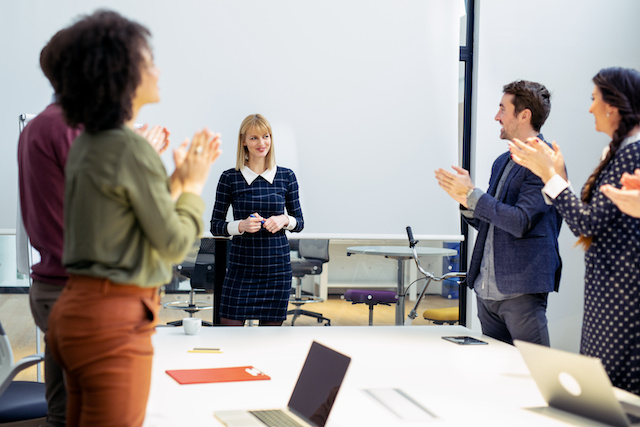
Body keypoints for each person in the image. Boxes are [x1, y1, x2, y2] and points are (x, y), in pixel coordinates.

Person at [45, 10, 221, 426]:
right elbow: (175, 241)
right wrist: (194, 186)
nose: (157, 70)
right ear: (122, 73)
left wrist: (176, 180)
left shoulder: (91, 144)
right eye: (148, 61)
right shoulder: (129, 148)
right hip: (113, 323)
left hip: (78, 313)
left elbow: (132, 223)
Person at [17, 36, 171, 427]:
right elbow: (110, 208)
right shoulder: (69, 128)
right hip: (79, 291)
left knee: (64, 412)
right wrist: (139, 157)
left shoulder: (40, 124)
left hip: (56, 285)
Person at [509, 67, 640, 394]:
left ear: (613, 104)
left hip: (621, 295)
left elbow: (587, 222)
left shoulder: (633, 151)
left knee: (616, 396)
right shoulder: (619, 150)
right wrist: (556, 175)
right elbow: (589, 217)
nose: (590, 107)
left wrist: (550, 176)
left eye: (594, 98)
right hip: (610, 291)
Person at [435, 80, 562, 346]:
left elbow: (520, 222)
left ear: (524, 115)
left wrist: (473, 196)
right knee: (496, 374)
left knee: (534, 372)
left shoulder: (546, 161)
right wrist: (466, 203)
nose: (497, 116)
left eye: (503, 109)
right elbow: (494, 222)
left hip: (521, 291)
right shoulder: (502, 161)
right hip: (487, 291)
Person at [210, 114, 304, 326]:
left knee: (269, 342)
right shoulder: (229, 178)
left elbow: (299, 222)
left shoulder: (286, 176)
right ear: (243, 141)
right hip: (241, 268)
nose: (262, 143)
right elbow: (215, 226)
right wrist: (240, 226)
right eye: (254, 138)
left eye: (266, 136)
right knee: (229, 337)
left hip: (277, 269)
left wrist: (284, 220)